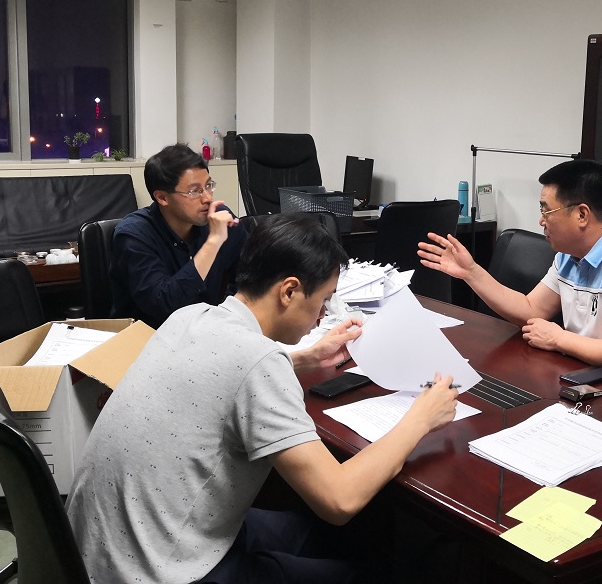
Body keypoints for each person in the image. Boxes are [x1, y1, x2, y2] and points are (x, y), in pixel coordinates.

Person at [66, 214, 457, 583]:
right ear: (289, 291)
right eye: (323, 301)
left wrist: (305, 358)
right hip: (164, 571)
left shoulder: (189, 316)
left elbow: (222, 372)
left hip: (99, 552)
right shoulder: (258, 363)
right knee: (361, 565)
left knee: (321, 531)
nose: (323, 316)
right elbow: (340, 499)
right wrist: (421, 417)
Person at [418, 159, 602, 386]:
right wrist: (471, 272)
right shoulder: (570, 255)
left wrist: (558, 338)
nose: (541, 221)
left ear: (582, 215)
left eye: (547, 210)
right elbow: (531, 309)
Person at [110, 143, 248, 328]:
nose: (207, 198)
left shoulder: (220, 219)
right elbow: (165, 306)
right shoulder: (134, 234)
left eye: (208, 185)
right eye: (194, 191)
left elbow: (252, 276)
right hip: (148, 336)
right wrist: (213, 242)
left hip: (208, 331)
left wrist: (223, 315)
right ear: (162, 198)